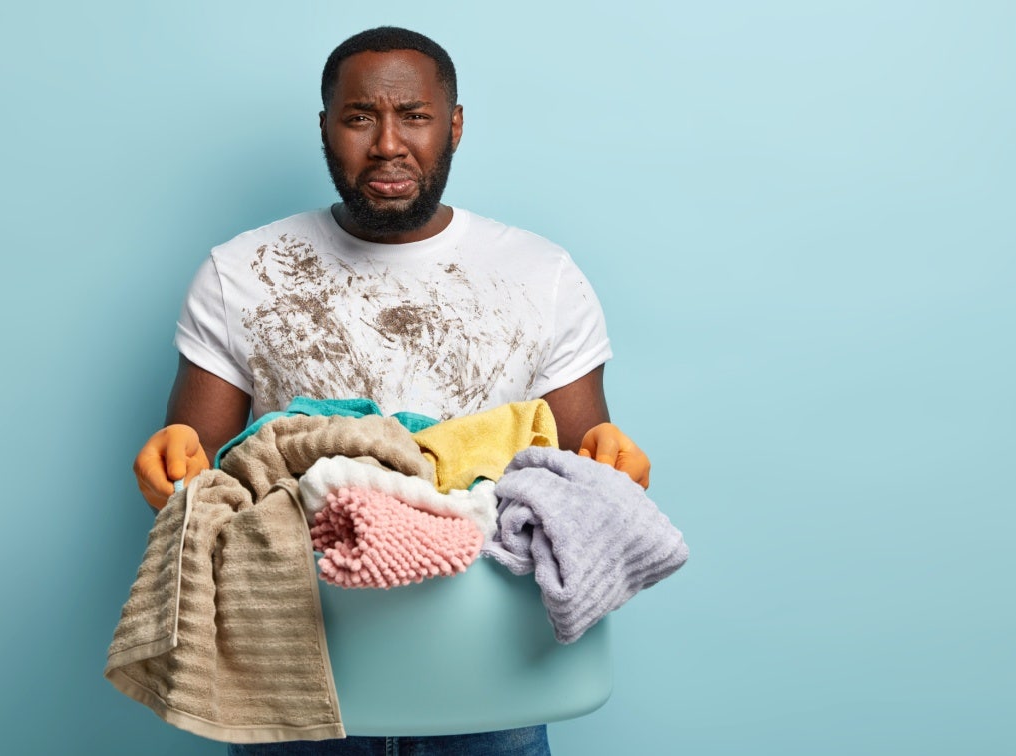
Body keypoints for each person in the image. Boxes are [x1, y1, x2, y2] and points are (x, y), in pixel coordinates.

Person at [132, 26, 651, 756]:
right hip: (300, 682)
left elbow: (579, 469)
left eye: (413, 115)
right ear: (325, 128)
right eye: (357, 118)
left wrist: (613, 466)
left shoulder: (542, 274)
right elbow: (202, 466)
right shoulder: (241, 271)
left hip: (491, 676)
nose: (386, 144)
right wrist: (174, 465)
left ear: (454, 125)